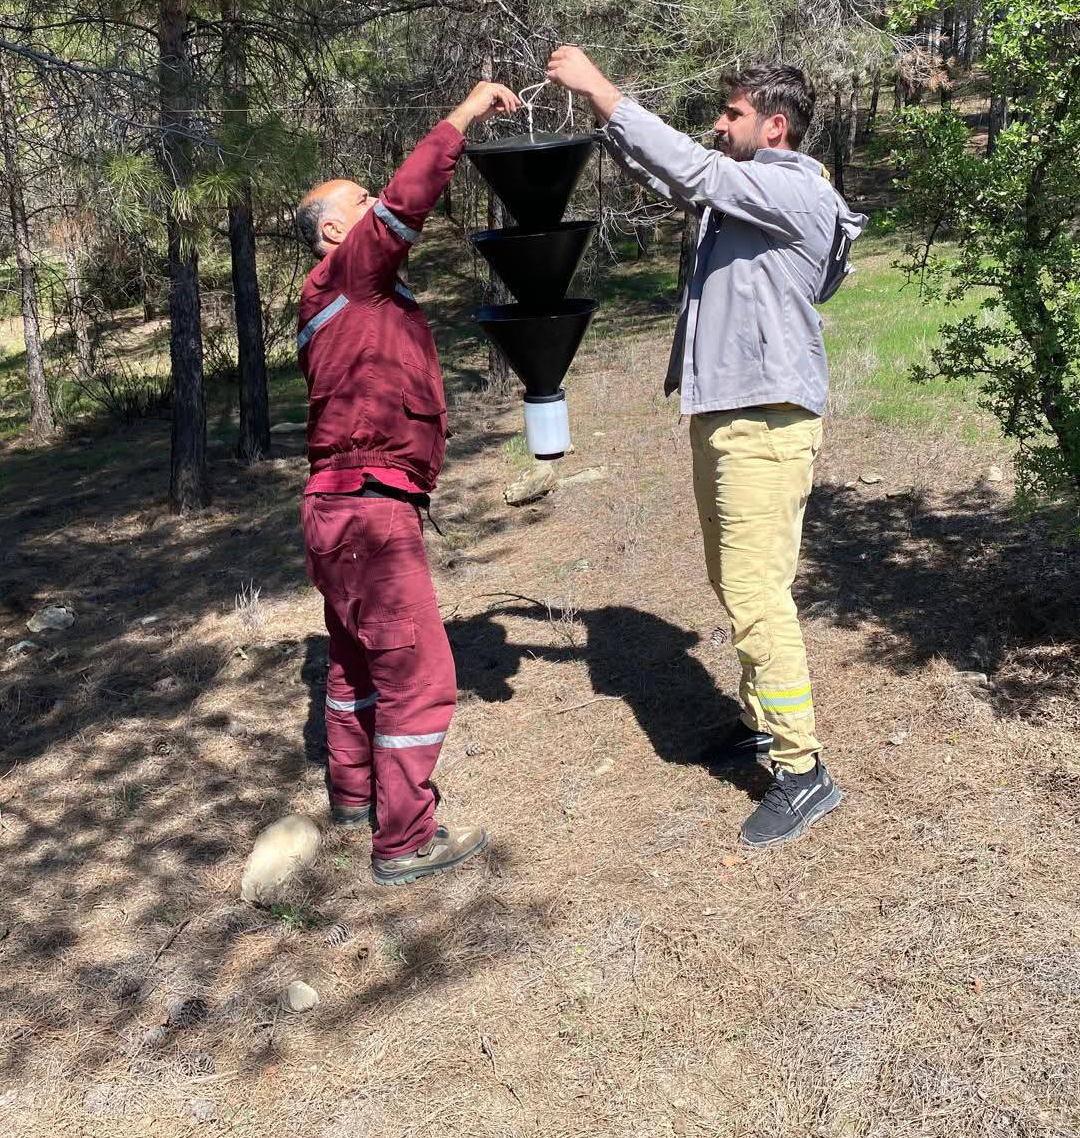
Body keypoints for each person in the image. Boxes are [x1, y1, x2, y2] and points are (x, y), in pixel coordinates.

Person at [544, 45, 866, 849]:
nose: (719, 126)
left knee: (759, 599)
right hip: (731, 415)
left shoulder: (795, 190)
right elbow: (676, 176)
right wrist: (600, 116)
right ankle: (765, 729)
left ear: (776, 126)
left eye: (733, 115)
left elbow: (694, 172)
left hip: (764, 422)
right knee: (738, 586)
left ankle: (803, 772)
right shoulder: (755, 191)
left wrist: (604, 90)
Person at [295, 78, 521, 885]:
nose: (373, 204)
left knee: (357, 662)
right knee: (420, 679)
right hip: (366, 510)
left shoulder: (352, 296)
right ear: (333, 229)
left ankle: (354, 800)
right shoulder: (347, 277)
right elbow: (405, 200)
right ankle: (404, 841)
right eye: (357, 200)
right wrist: (463, 115)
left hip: (337, 509)